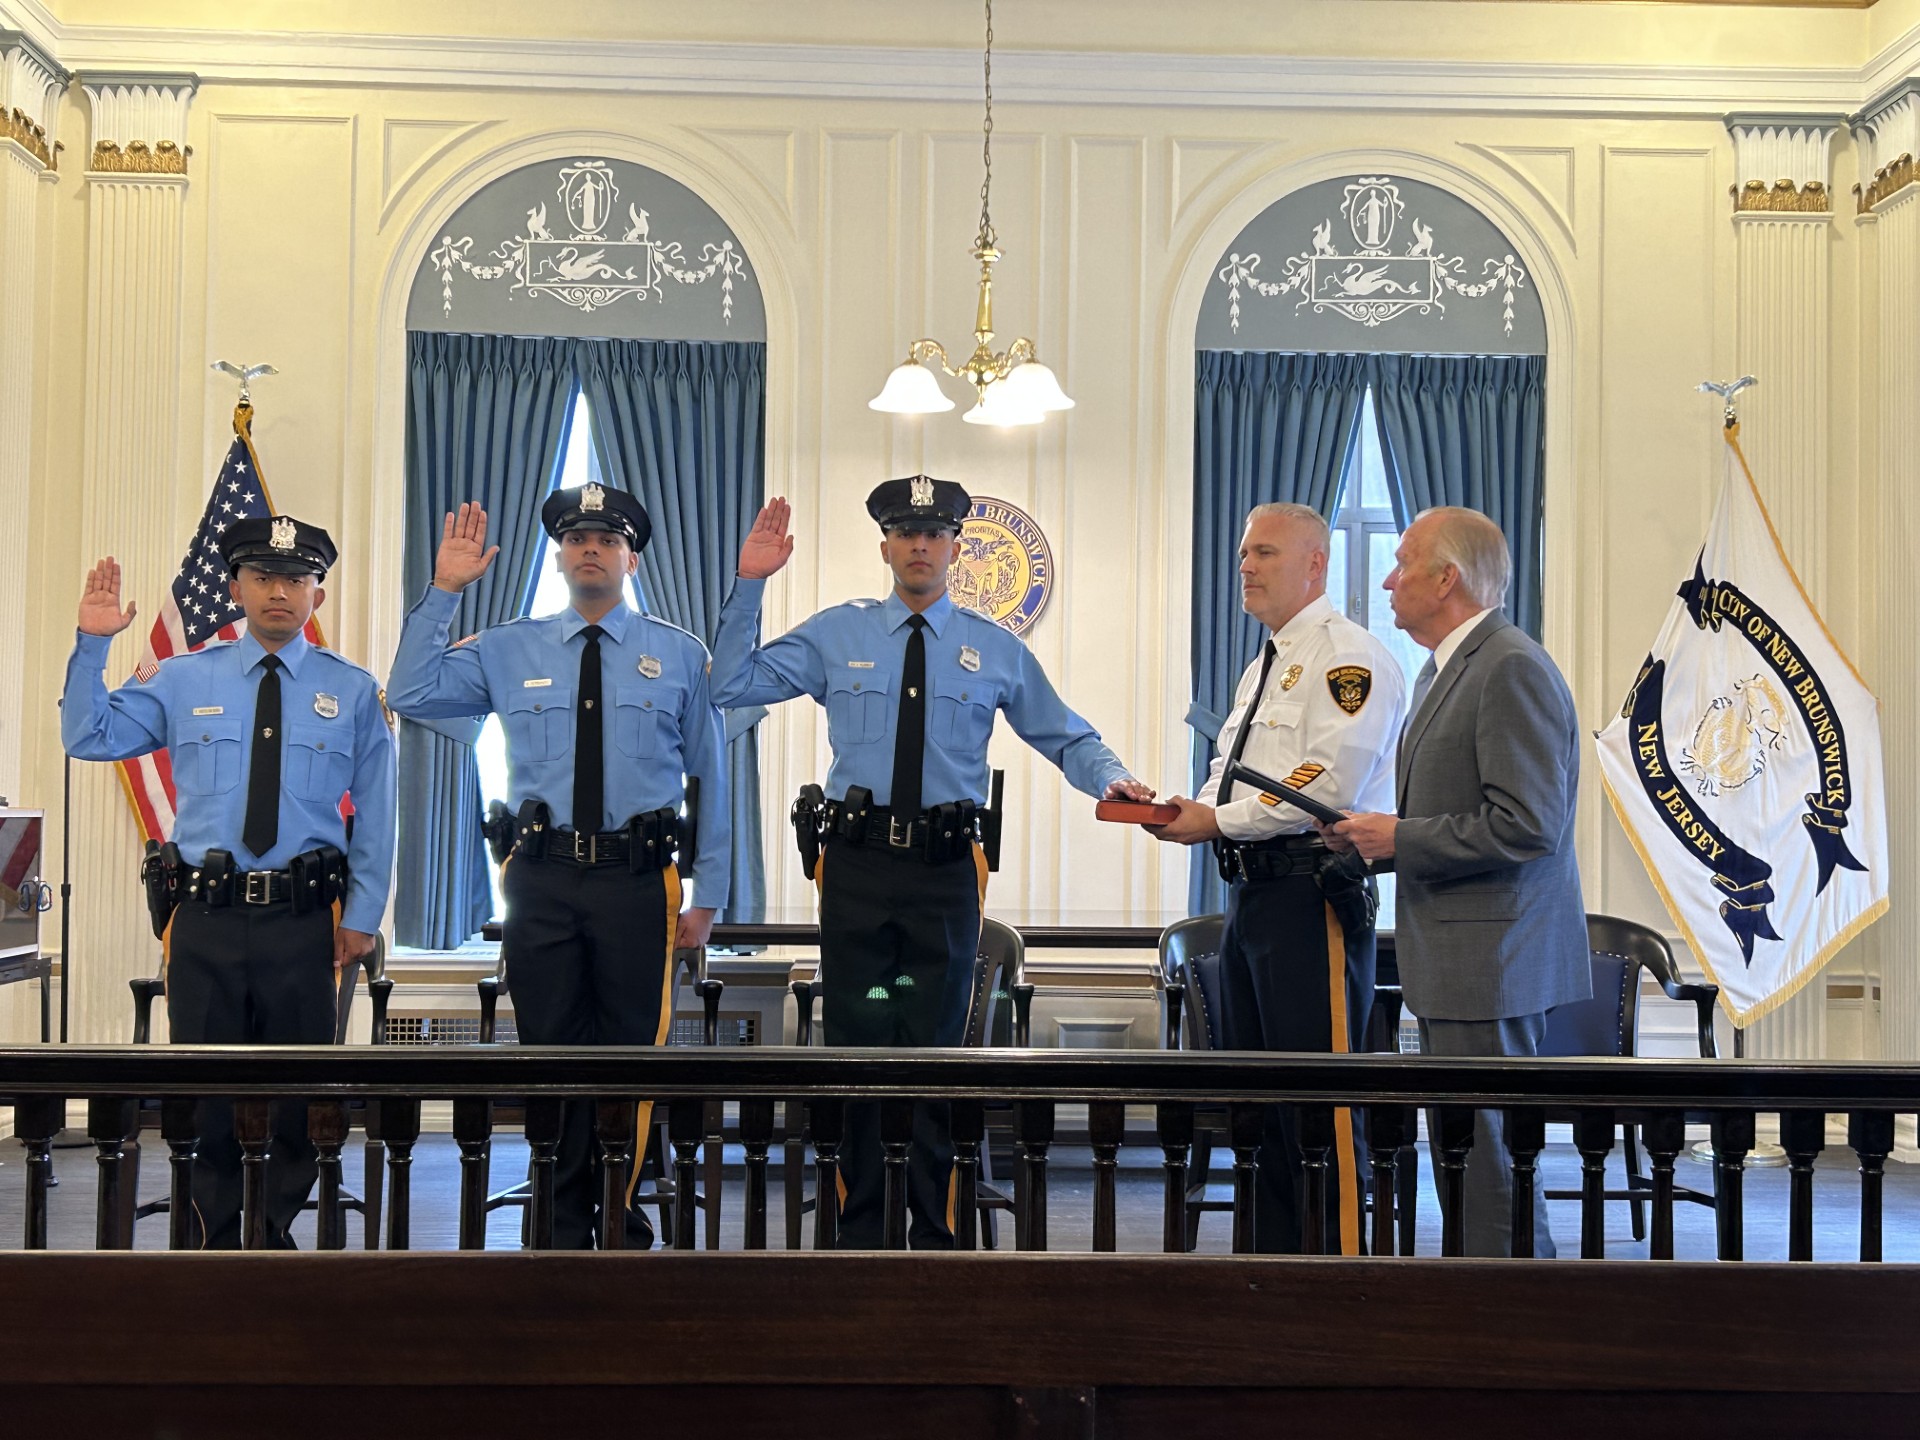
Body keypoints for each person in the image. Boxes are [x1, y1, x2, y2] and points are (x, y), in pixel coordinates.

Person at [712, 476, 1154, 1248]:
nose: (920, 545)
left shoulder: (994, 648)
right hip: (855, 869)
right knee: (857, 1042)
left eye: (935, 534)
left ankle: (937, 1231)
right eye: (905, 534)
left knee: (938, 1049)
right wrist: (750, 584)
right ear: (885, 547)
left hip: (946, 872)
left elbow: (1065, 733)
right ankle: (859, 1232)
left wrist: (1110, 777)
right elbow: (729, 683)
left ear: (955, 548)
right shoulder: (837, 633)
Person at [386, 484, 730, 1250]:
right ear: (559, 557)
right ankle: (557, 1221)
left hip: (637, 882)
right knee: (548, 1053)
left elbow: (711, 774)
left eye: (607, 539)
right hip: (540, 880)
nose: (591, 549)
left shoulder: (679, 654)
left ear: (631, 559)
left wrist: (710, 892)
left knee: (631, 1058)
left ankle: (619, 1215)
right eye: (577, 539)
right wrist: (444, 592)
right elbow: (411, 692)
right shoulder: (509, 647)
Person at [62, 516, 396, 1249]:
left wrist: (362, 915)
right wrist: (92, 644)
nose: (279, 591)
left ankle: (271, 1235)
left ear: (317, 594)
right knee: (205, 1090)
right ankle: (215, 1237)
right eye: (262, 577)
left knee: (298, 1094)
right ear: (237, 588)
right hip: (206, 917)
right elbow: (88, 735)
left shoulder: (351, 691)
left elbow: (377, 814)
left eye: (295, 579)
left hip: (304, 920)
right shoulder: (185, 678)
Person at [1329, 505, 1590, 1258]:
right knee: (1468, 1155)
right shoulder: (1448, 667)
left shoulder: (1508, 666)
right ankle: (1483, 1300)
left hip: (1493, 960)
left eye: (1402, 561)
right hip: (1463, 957)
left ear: (1447, 579)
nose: (1388, 579)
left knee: (1490, 1163)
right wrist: (1376, 837)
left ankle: (1511, 1309)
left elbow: (1527, 824)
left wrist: (1400, 837)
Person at [1145, 502, 1405, 1254]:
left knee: (1317, 1099)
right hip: (1253, 892)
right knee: (1257, 1100)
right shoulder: (1267, 659)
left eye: (1264, 553)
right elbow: (1234, 773)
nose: (1246, 567)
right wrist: (1190, 810)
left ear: (1315, 565)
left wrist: (1216, 820)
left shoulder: (1347, 657)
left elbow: (1323, 780)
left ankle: (1337, 1270)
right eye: (1243, 554)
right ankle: (1271, 1265)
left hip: (1310, 893)